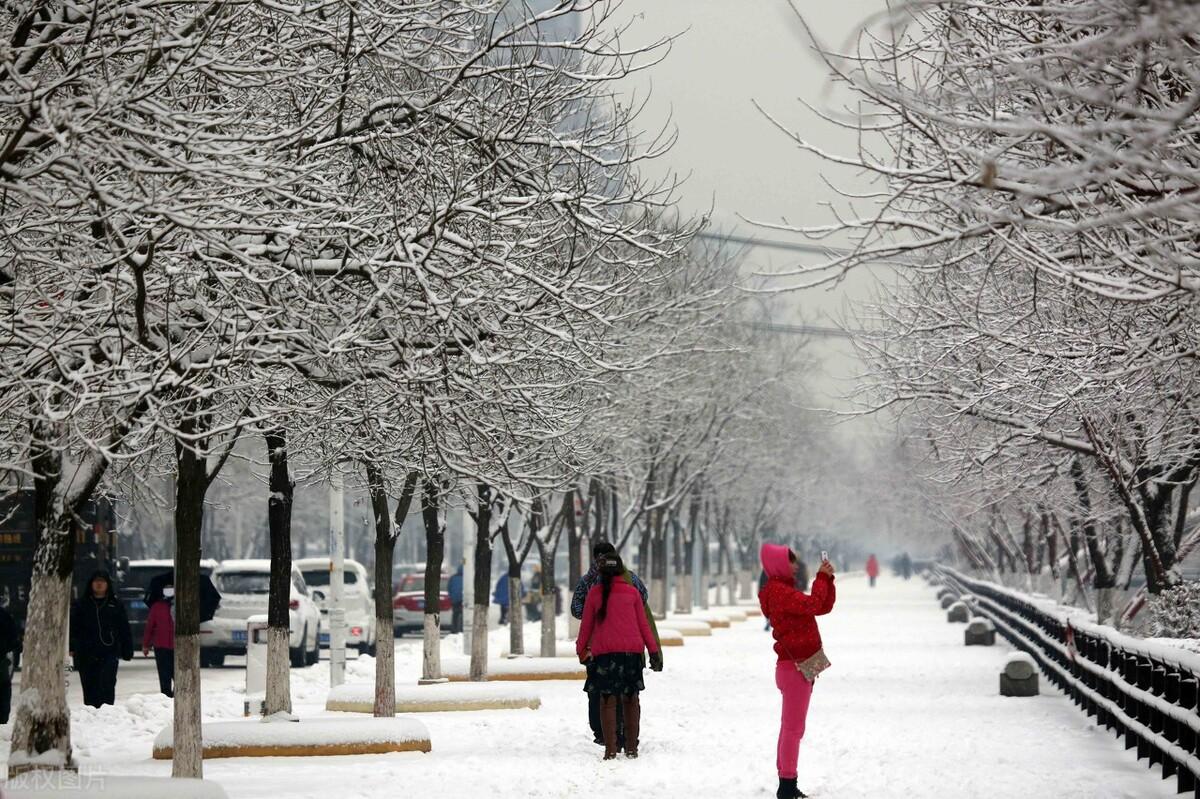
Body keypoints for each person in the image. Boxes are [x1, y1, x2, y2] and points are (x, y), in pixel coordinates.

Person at [759, 544, 836, 799]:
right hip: (795, 668)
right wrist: (821, 578)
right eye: (790, 561)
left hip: (801, 664)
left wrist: (828, 579)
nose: (795, 565)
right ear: (778, 564)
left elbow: (822, 607)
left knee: (791, 728)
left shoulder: (783, 590)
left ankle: (786, 780)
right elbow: (814, 603)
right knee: (793, 729)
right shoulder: (780, 592)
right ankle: (787, 785)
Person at [576, 553, 662, 760]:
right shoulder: (633, 593)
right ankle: (632, 748)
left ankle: (610, 750)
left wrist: (581, 651)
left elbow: (585, 627)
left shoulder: (594, 594)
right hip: (631, 654)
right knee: (631, 699)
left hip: (604, 656)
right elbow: (644, 625)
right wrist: (654, 651)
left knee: (607, 701)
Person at [69, 570, 133, 708]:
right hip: (86, 652)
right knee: (89, 686)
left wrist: (127, 649)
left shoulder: (115, 604)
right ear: (91, 584)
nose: (99, 584)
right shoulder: (81, 604)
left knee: (107, 684)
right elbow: (73, 628)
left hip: (109, 651)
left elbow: (124, 628)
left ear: (107, 584)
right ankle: (92, 712)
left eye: (102, 581)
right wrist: (71, 647)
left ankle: (107, 712)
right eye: (96, 581)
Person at [142, 581, 176, 697]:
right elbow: (150, 627)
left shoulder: (182, 605)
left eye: (171, 587)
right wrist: (146, 644)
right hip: (161, 646)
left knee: (178, 675)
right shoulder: (157, 606)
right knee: (164, 675)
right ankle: (166, 697)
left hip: (179, 646)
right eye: (166, 587)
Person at [0, 604, 20, 723]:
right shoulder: (4, 615)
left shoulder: (4, 616)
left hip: (1, 660)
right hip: (2, 660)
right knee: (3, 690)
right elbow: (14, 639)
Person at [448, 563, 464, 634]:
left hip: (454, 599)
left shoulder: (453, 578)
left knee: (455, 614)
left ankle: (454, 629)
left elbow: (449, 588)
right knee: (464, 614)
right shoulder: (467, 578)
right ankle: (462, 628)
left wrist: (451, 596)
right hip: (463, 599)